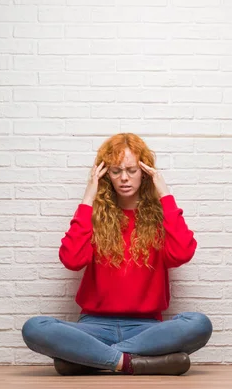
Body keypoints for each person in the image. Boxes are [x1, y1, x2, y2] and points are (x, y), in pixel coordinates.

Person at [21, 133, 212, 376]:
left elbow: (182, 253)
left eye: (131, 170)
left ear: (144, 172)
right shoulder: (94, 219)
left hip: (146, 329)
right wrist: (89, 195)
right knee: (35, 327)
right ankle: (129, 362)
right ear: (104, 175)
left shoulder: (158, 219)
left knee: (198, 324)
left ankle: (90, 357)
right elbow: (71, 260)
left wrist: (164, 192)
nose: (124, 178)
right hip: (94, 326)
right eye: (115, 171)